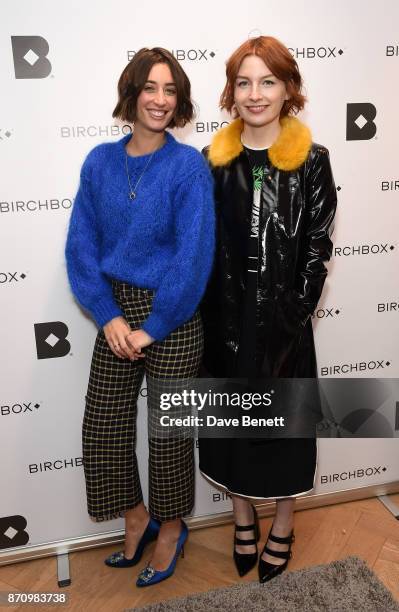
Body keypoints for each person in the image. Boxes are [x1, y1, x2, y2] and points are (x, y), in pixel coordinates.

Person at [65, 47, 215, 587]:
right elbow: (81, 246)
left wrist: (154, 325)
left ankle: (171, 527)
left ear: (180, 101)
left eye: (170, 89)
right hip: (113, 313)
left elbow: (193, 256)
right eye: (150, 88)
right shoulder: (99, 162)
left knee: (170, 431)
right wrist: (107, 315)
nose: (159, 99)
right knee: (103, 424)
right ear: (130, 94)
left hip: (171, 314)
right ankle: (136, 516)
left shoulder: (188, 166)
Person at [199, 36, 337, 583]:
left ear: (288, 89)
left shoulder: (313, 161)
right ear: (231, 92)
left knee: (285, 433)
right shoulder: (212, 162)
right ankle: (240, 519)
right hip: (225, 321)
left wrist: (293, 314)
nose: (255, 94)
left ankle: (282, 524)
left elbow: (317, 247)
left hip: (283, 326)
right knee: (230, 430)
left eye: (267, 81)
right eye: (243, 82)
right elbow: (200, 245)